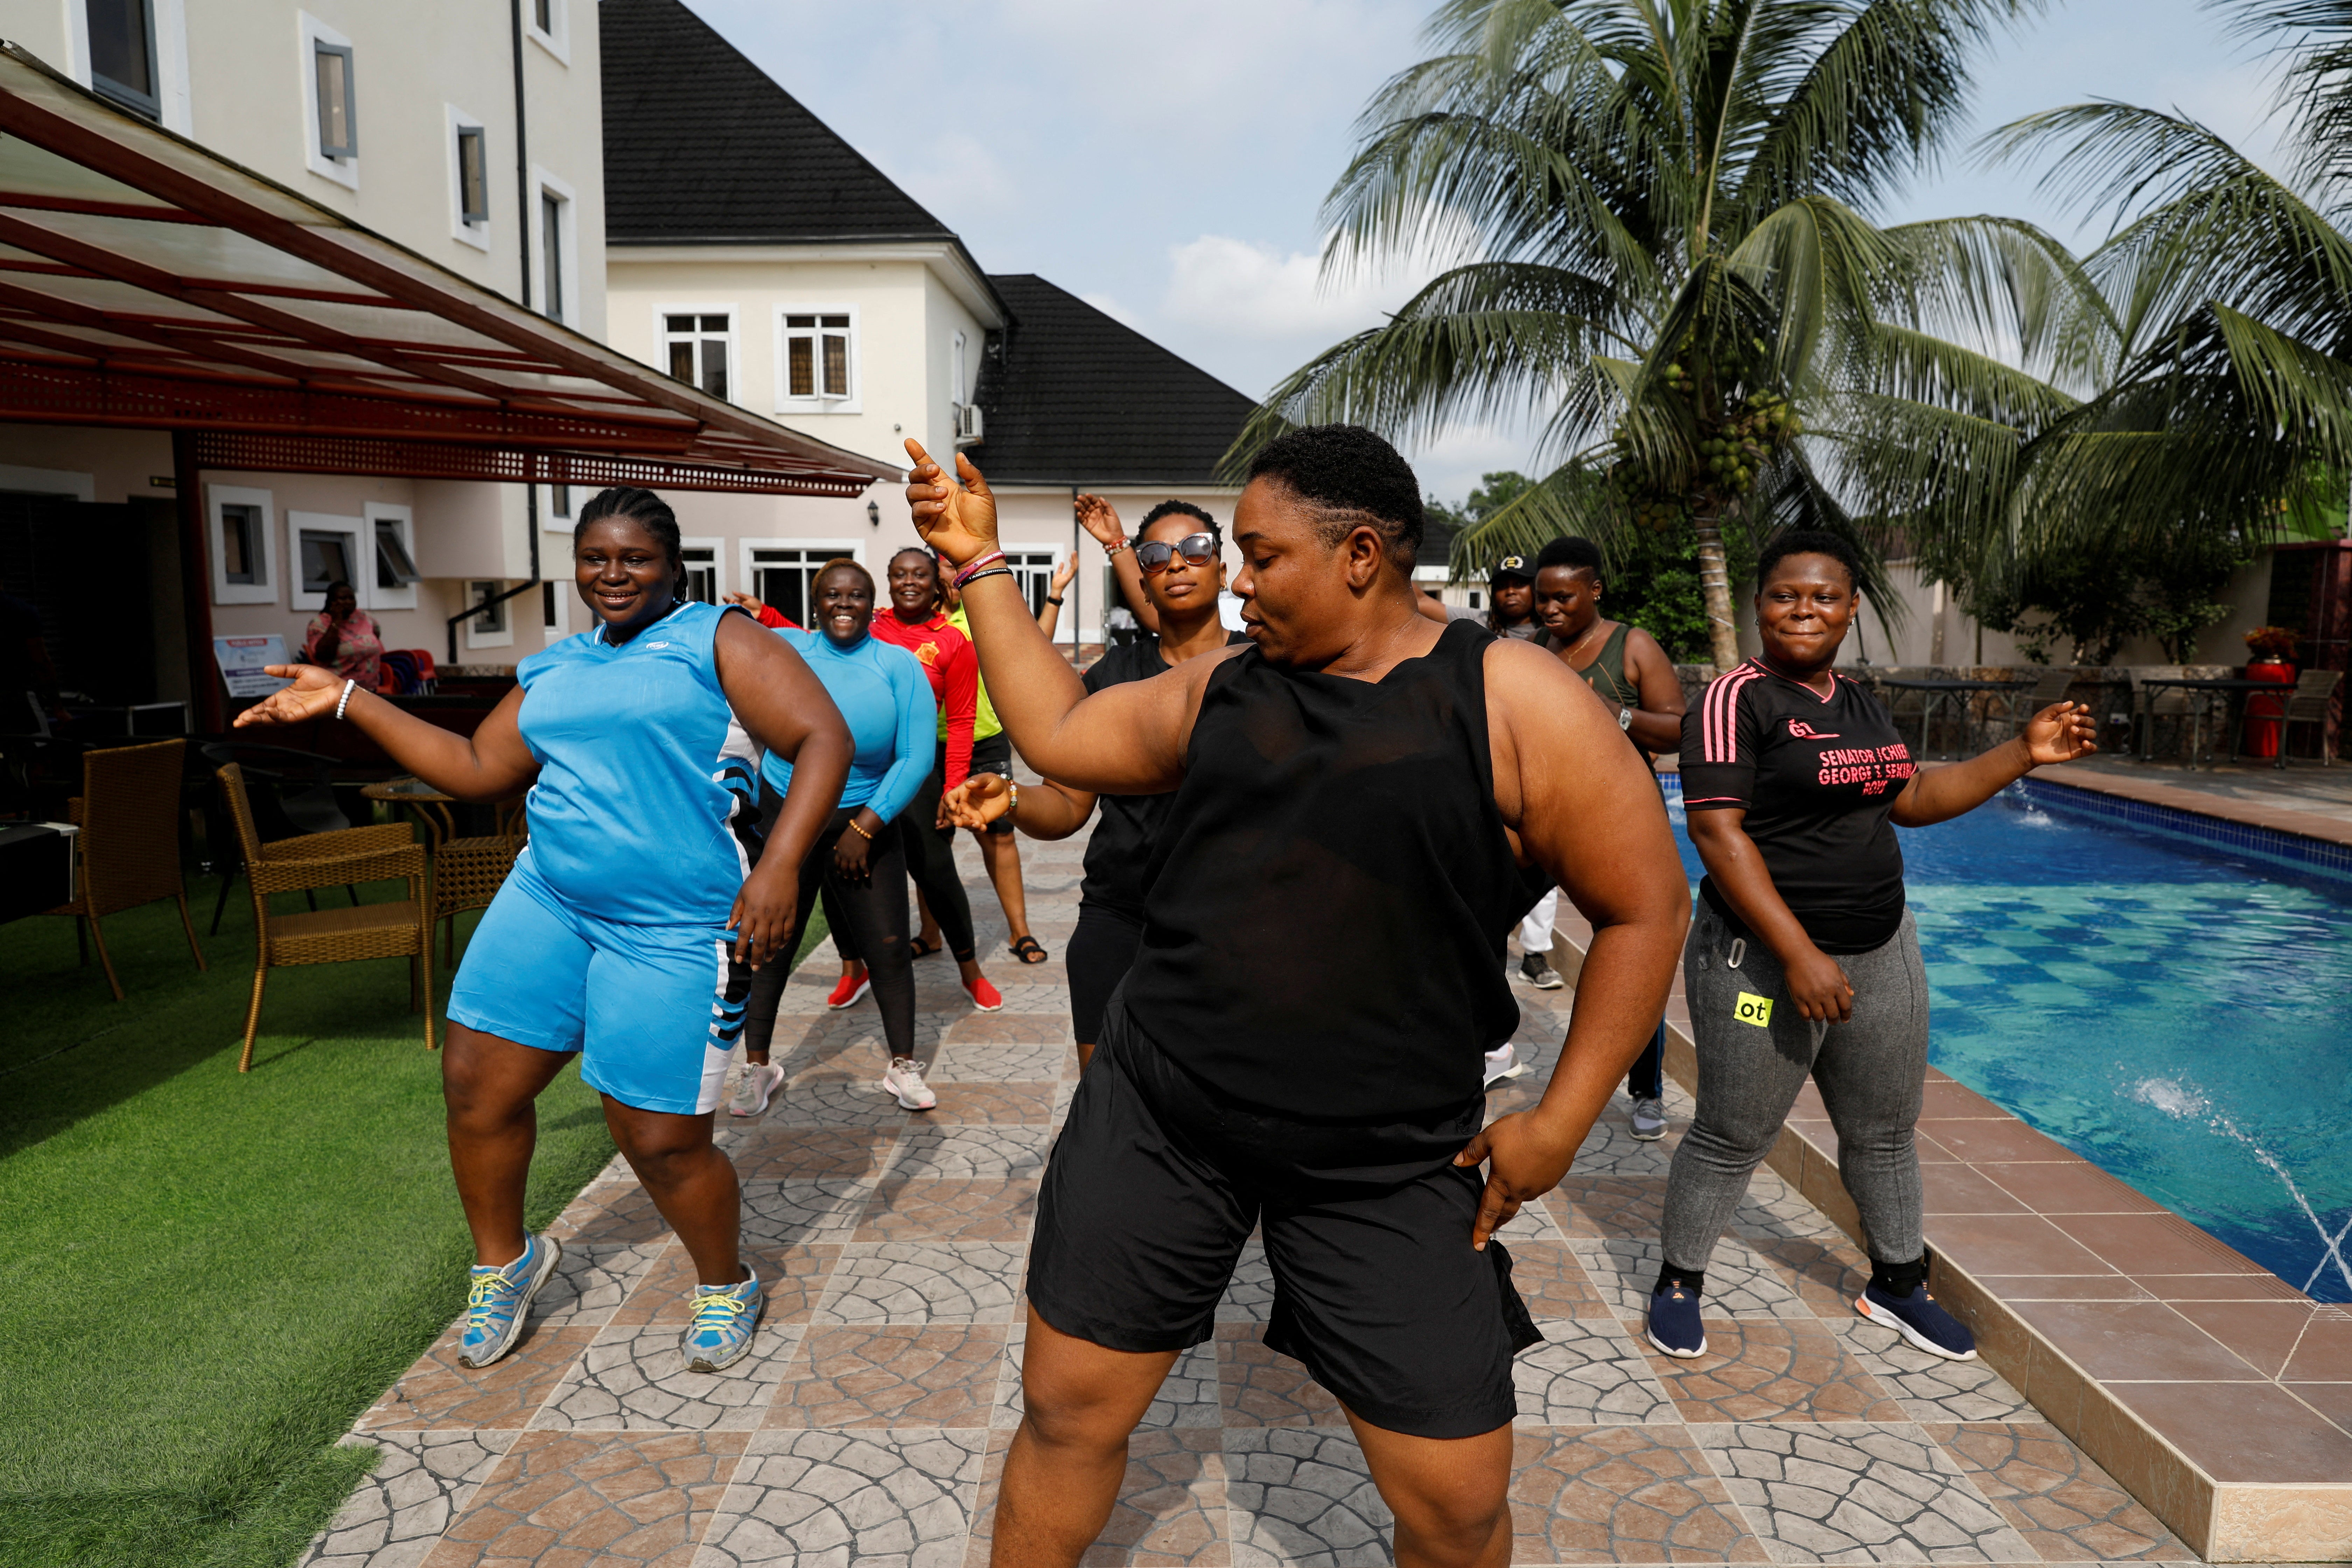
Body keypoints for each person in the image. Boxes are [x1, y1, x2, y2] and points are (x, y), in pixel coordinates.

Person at [906, 426, 1688, 1568]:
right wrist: (978, 564)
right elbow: (1060, 733)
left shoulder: (1510, 698)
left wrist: (1561, 1120)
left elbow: (1646, 907)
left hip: (1385, 1157)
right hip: (1164, 1118)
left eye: (1263, 557)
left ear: (1360, 555)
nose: (1241, 581)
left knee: (1459, 1507)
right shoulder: (1226, 688)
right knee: (1070, 1413)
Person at [234, 487, 853, 1375]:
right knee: (477, 1090)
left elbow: (821, 736)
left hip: (676, 923)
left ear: (672, 564)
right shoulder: (555, 666)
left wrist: (781, 865)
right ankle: (505, 1263)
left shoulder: (718, 638)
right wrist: (348, 702)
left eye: (635, 558)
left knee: (660, 1139)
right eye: (596, 558)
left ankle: (727, 1280)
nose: (614, 574)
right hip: (550, 901)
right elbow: (479, 767)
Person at [1649, 530, 2096, 1365]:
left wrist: (2020, 754)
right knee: (1735, 1133)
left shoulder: (1859, 701)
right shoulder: (1734, 700)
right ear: (1760, 604)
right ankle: (1679, 1280)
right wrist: (1801, 956)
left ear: (1853, 608)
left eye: (1825, 596)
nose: (1805, 610)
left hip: (1882, 947)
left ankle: (1897, 1283)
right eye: (1786, 595)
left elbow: (1914, 798)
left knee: (1886, 1131)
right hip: (1761, 960)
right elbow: (1715, 830)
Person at [944, 499, 1249, 1070]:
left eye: (1197, 550)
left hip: (1230, 922)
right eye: (1158, 556)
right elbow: (1066, 804)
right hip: (1119, 915)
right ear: (1143, 578)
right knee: (1105, 1099)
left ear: (1224, 568)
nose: (1178, 565)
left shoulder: (1263, 670)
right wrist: (1009, 797)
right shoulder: (1111, 677)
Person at [731, 559, 939, 1115]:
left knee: (890, 947)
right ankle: (758, 1067)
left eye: (855, 596)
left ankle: (903, 1066)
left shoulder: (899, 665)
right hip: (787, 815)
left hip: (866, 821)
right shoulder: (788, 652)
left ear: (874, 605)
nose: (843, 604)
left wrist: (866, 825)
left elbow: (917, 757)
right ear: (815, 603)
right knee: (768, 942)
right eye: (831, 595)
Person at [1529, 535, 1689, 1139]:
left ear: (1594, 591)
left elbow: (1678, 729)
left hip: (1621, 826)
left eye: (1564, 598)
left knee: (1634, 958)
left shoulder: (1633, 646)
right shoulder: (1542, 650)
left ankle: (1647, 1092)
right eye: (1544, 600)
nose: (1550, 610)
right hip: (1547, 821)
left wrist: (1615, 715)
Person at [854, 547, 1002, 1011]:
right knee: (850, 870)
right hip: (860, 770)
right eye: (900, 575)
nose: (910, 583)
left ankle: (970, 970)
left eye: (920, 574)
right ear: (889, 580)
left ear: (936, 583)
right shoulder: (868, 627)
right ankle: (852, 970)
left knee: (936, 870)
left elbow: (961, 720)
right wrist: (770, 617)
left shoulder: (954, 643)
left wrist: (954, 784)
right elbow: (815, 646)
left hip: (919, 768)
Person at [938, 567, 1049, 965]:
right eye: (945, 567)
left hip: (985, 739)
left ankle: (1021, 931)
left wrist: (1054, 595)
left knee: (1000, 835)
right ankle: (930, 933)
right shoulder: (929, 619)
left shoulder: (989, 613)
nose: (953, 575)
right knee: (935, 841)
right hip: (935, 743)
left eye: (958, 567)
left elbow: (1036, 642)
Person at [303, 581, 384, 690]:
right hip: (337, 690)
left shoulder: (364, 617)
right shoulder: (319, 624)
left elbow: (376, 635)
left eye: (352, 598)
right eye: (343, 598)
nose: (348, 602)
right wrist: (336, 621)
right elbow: (323, 655)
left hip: (369, 690)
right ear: (331, 602)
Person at [1486, 555, 1541, 639]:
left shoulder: (1552, 633)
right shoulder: (1479, 624)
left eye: (1519, 584)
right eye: (1502, 586)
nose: (1510, 592)